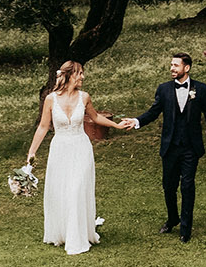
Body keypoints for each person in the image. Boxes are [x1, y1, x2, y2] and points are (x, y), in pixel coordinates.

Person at [24, 60, 134, 255]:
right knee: (62, 191)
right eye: (79, 73)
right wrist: (32, 152)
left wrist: (116, 125)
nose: (83, 77)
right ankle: (64, 232)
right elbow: (43, 127)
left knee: (76, 190)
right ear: (68, 75)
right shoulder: (50, 99)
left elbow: (95, 117)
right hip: (60, 150)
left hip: (81, 149)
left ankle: (77, 238)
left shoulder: (84, 97)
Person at [124, 51, 206, 242]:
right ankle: (172, 219)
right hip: (170, 147)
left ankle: (185, 229)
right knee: (169, 187)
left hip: (191, 148)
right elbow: (153, 112)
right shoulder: (164, 89)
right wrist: (136, 121)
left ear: (187, 68)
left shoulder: (201, 89)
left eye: (175, 65)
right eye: (171, 65)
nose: (172, 68)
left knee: (187, 186)